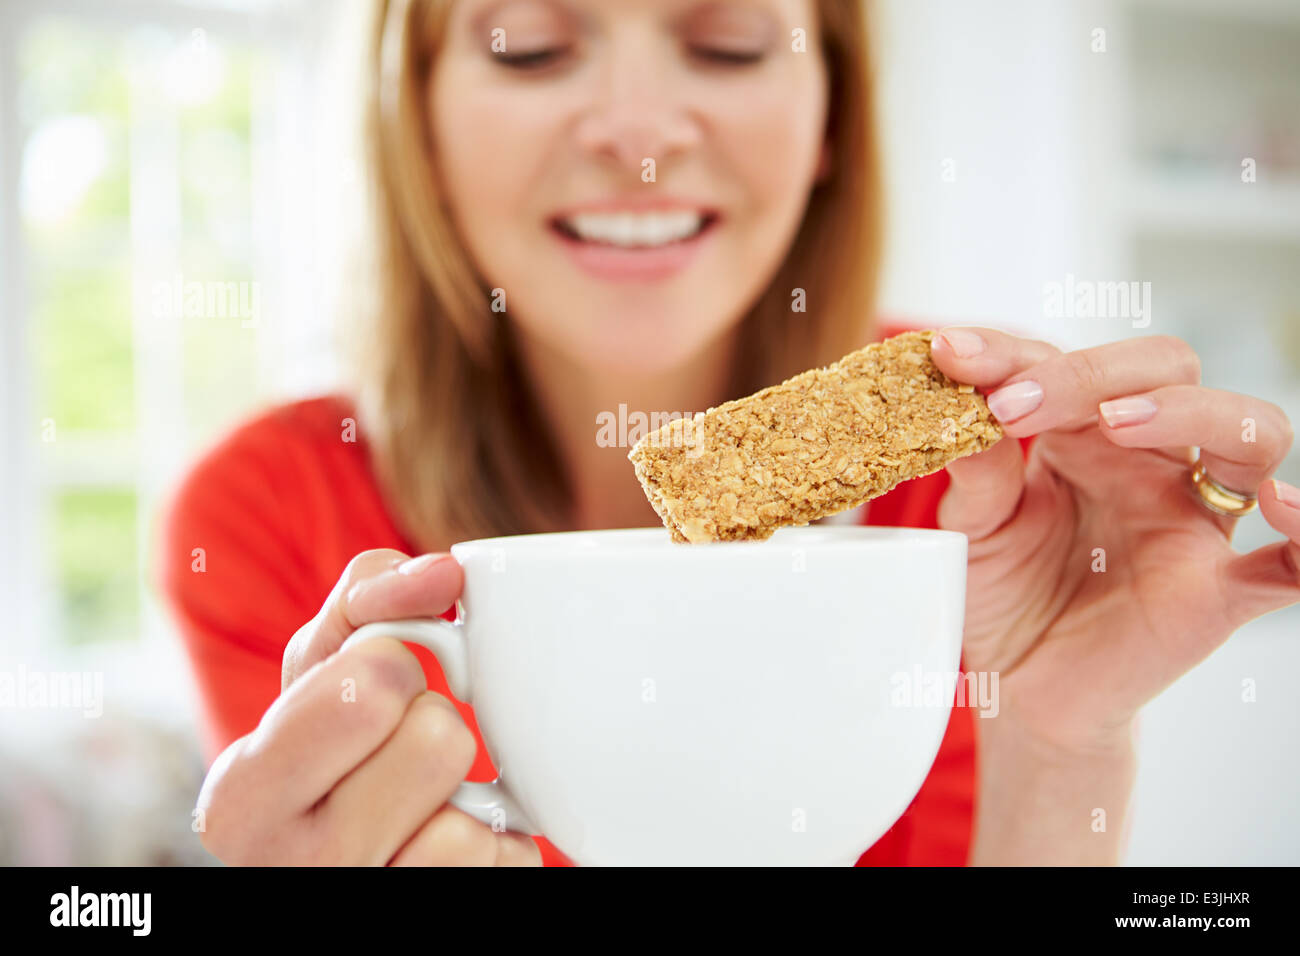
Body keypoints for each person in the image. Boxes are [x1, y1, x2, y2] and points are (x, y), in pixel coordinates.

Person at [158, 0, 1299, 866]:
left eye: (731, 43)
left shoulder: (986, 491)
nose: (639, 134)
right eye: (529, 46)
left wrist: (1056, 749)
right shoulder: (268, 509)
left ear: (830, 125)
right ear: (415, 124)